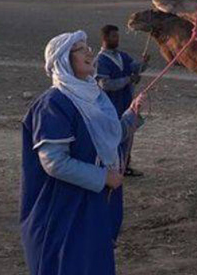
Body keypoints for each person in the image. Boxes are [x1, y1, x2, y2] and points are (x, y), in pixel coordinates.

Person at [20, 31, 136, 275]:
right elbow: (55, 162)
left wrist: (134, 115)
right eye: (80, 49)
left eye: (88, 47)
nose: (89, 52)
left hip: (92, 203)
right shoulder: (54, 103)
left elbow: (108, 136)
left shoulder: (94, 98)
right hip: (63, 207)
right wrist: (103, 177)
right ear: (62, 60)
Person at [95, 24, 148, 177]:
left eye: (117, 36)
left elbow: (134, 67)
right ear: (105, 38)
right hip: (110, 105)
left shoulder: (121, 56)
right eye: (113, 36)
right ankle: (112, 168)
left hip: (126, 102)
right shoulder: (101, 60)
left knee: (128, 135)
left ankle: (124, 166)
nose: (117, 39)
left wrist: (143, 63)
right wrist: (128, 79)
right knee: (113, 136)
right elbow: (105, 84)